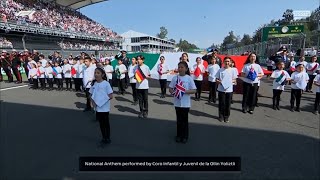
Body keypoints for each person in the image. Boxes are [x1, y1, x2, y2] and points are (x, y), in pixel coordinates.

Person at [169, 61, 197, 143]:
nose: (180, 69)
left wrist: (184, 91)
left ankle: (185, 136)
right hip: (177, 103)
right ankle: (179, 135)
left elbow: (194, 90)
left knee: (184, 121)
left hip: (185, 104)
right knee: (179, 120)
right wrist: (173, 92)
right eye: (179, 67)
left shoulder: (189, 78)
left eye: (182, 67)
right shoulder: (175, 78)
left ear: (186, 69)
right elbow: (170, 88)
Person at [89, 67, 113, 145]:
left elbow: (110, 95)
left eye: (98, 73)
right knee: (101, 124)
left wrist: (100, 102)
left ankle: (108, 137)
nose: (96, 74)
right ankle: (103, 137)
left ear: (102, 75)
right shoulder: (94, 84)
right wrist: (93, 103)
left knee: (106, 123)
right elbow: (91, 94)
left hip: (104, 108)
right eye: (95, 73)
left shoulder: (106, 83)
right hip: (97, 108)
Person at [215, 57, 238, 122]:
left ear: (230, 62)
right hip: (221, 90)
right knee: (221, 103)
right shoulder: (220, 70)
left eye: (228, 61)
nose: (227, 63)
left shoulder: (233, 70)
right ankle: (221, 116)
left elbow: (235, 80)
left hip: (229, 90)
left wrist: (231, 82)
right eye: (225, 61)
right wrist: (219, 82)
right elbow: (216, 79)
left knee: (228, 104)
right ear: (223, 62)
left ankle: (226, 116)